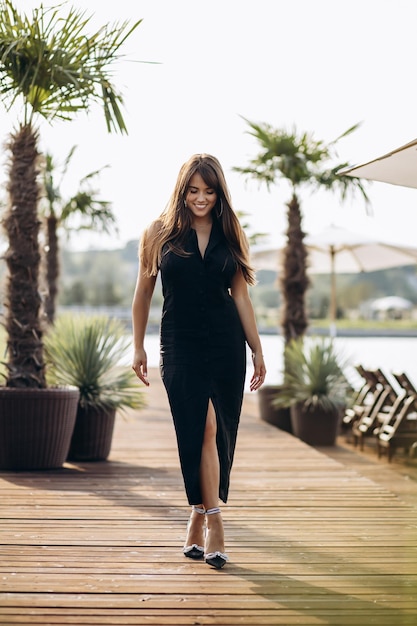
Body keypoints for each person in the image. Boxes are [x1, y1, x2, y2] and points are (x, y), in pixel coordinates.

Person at [131, 153, 266, 569]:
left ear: (219, 191)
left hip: (226, 345)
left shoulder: (230, 231)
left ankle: (198, 514)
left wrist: (258, 349)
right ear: (181, 191)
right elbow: (143, 295)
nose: (201, 198)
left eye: (208, 191)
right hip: (179, 343)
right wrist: (138, 347)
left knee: (216, 431)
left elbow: (241, 297)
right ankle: (214, 519)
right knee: (197, 427)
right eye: (193, 191)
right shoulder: (158, 233)